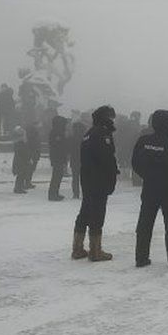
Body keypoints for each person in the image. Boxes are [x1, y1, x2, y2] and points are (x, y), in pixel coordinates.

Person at [132, 110, 168, 268]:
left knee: (145, 223)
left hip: (150, 187)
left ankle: (141, 257)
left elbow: (135, 162)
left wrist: (148, 175)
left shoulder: (143, 141)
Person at [71, 106, 119, 261]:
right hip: (99, 179)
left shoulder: (89, 133)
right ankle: (95, 251)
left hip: (87, 178)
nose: (113, 121)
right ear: (106, 118)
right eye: (111, 118)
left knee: (85, 211)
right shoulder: (102, 134)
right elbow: (106, 158)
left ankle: (77, 248)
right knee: (97, 214)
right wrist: (112, 175)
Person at [47, 115, 68, 201]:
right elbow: (58, 145)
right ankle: (53, 194)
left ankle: (55, 193)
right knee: (56, 176)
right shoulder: (56, 132)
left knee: (58, 176)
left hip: (59, 157)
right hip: (57, 157)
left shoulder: (58, 131)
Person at [69, 120, 85, 199]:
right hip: (84, 160)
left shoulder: (71, 138)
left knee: (75, 178)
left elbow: (69, 149)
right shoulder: (86, 138)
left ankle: (76, 193)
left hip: (74, 160)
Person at [24, 123, 41, 190]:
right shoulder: (33, 136)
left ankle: (28, 182)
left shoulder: (33, 135)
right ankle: (27, 183)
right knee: (30, 169)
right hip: (32, 154)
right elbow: (34, 145)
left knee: (31, 169)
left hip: (33, 154)